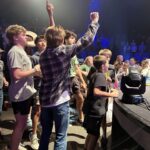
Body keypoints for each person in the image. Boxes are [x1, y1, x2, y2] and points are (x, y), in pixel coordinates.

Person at [39, 10, 100, 150]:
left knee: (45, 135)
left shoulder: (43, 55)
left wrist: (51, 17)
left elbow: (52, 36)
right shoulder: (64, 51)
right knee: (61, 137)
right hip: (60, 101)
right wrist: (94, 22)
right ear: (61, 40)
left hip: (45, 101)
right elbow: (87, 40)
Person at [6, 24, 41, 150]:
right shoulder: (15, 51)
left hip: (23, 94)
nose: (26, 36)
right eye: (23, 34)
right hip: (20, 95)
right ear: (15, 37)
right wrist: (34, 70)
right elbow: (16, 75)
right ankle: (14, 147)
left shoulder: (20, 50)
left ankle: (15, 144)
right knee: (20, 125)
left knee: (21, 124)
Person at [83, 55, 118, 150]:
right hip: (95, 110)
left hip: (91, 109)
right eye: (106, 63)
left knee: (91, 133)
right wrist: (112, 94)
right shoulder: (100, 76)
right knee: (95, 135)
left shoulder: (96, 74)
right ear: (103, 65)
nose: (108, 65)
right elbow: (96, 92)